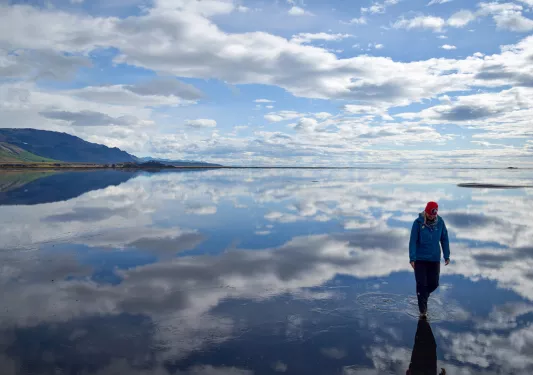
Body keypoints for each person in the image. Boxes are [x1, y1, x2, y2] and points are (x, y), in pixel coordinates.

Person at [409, 201, 450, 318]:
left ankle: (422, 295)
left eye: (434, 214)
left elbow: (444, 239)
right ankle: (423, 312)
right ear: (426, 212)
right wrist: (412, 258)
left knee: (434, 284)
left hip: (434, 258)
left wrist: (446, 255)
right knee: (421, 284)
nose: (432, 216)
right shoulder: (417, 223)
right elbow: (413, 241)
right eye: (430, 214)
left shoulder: (440, 222)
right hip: (420, 259)